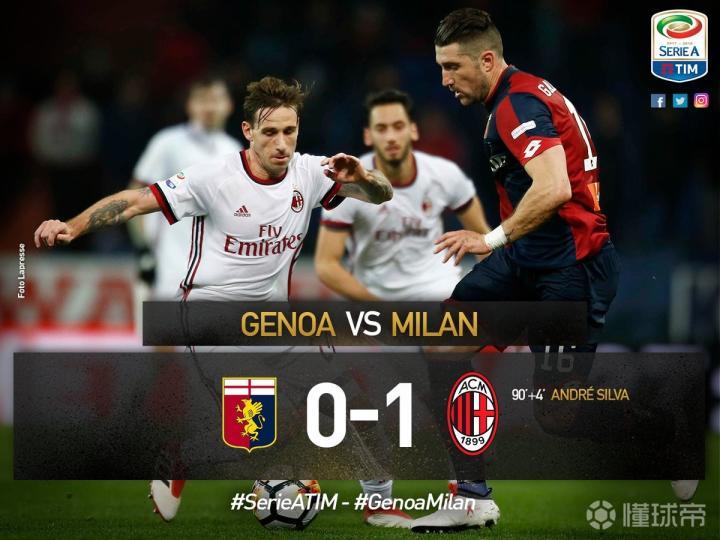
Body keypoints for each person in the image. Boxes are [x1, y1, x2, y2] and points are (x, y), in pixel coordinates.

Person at [34, 75, 394, 521]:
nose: (281, 143)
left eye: (289, 131)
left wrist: (364, 177)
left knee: (343, 393)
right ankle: (181, 456)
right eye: (269, 132)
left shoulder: (311, 172)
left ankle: (379, 501)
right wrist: (72, 226)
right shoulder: (214, 177)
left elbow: (380, 193)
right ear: (248, 131)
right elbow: (135, 201)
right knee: (260, 432)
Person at [420, 7, 625, 532]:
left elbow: (553, 188)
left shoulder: (517, 104)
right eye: (441, 67)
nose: (444, 80)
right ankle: (472, 495)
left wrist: (489, 239)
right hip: (527, 260)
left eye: (452, 67)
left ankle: (656, 426)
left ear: (487, 61)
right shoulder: (520, 95)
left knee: (557, 417)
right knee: (441, 344)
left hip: (571, 268)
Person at [315, 88, 495, 530]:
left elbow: (487, 243)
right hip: (377, 311)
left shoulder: (445, 175)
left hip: (439, 305)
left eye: (398, 126)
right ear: (368, 135)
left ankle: (467, 493)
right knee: (361, 400)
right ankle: (379, 500)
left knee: (450, 399)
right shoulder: (350, 183)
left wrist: (479, 294)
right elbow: (326, 265)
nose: (391, 135)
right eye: (382, 128)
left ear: (413, 130)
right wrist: (380, 308)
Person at [128, 77, 242, 300]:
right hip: (169, 266)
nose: (209, 107)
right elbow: (135, 194)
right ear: (190, 105)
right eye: (202, 100)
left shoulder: (234, 150)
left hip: (215, 273)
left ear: (229, 105)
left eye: (216, 99)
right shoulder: (168, 143)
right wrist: (143, 250)